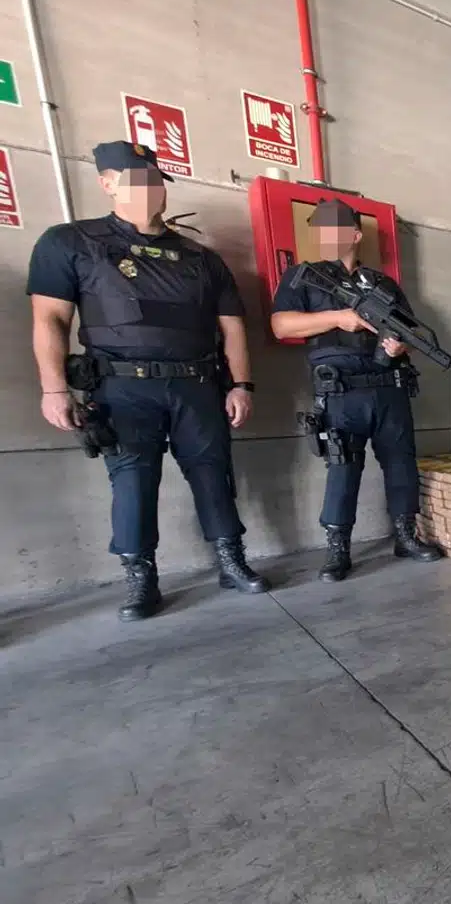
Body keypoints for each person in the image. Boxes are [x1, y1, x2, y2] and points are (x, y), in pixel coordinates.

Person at [27, 141, 267, 622]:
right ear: (107, 183)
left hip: (197, 385)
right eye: (134, 179)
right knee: (133, 482)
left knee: (213, 474)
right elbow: (49, 319)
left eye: (155, 180)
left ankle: (230, 560)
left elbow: (233, 328)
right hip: (121, 389)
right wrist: (54, 389)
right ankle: (141, 577)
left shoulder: (202, 258)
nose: (148, 189)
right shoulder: (71, 242)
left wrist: (242, 385)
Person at [269, 198, 443, 582]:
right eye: (321, 229)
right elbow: (281, 326)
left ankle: (405, 535)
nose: (326, 235)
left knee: (400, 463)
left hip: (389, 386)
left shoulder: (382, 284)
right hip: (340, 390)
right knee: (343, 467)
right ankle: (338, 549)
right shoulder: (304, 276)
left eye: (334, 228)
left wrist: (400, 346)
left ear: (355, 235)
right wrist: (339, 318)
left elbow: (410, 331)